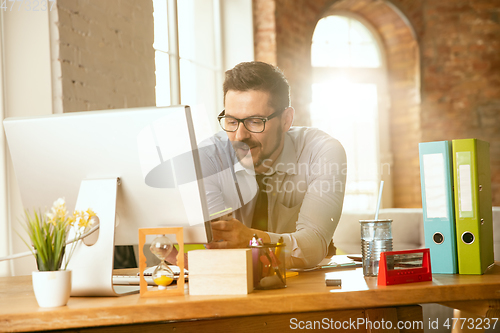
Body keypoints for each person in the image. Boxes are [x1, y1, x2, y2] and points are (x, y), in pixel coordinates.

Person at [202, 61, 346, 269]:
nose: (240, 136)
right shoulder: (210, 156)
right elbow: (218, 249)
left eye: (255, 121)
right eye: (232, 121)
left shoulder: (321, 151)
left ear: (286, 120)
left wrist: (251, 239)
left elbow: (314, 245)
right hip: (236, 280)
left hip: (306, 279)